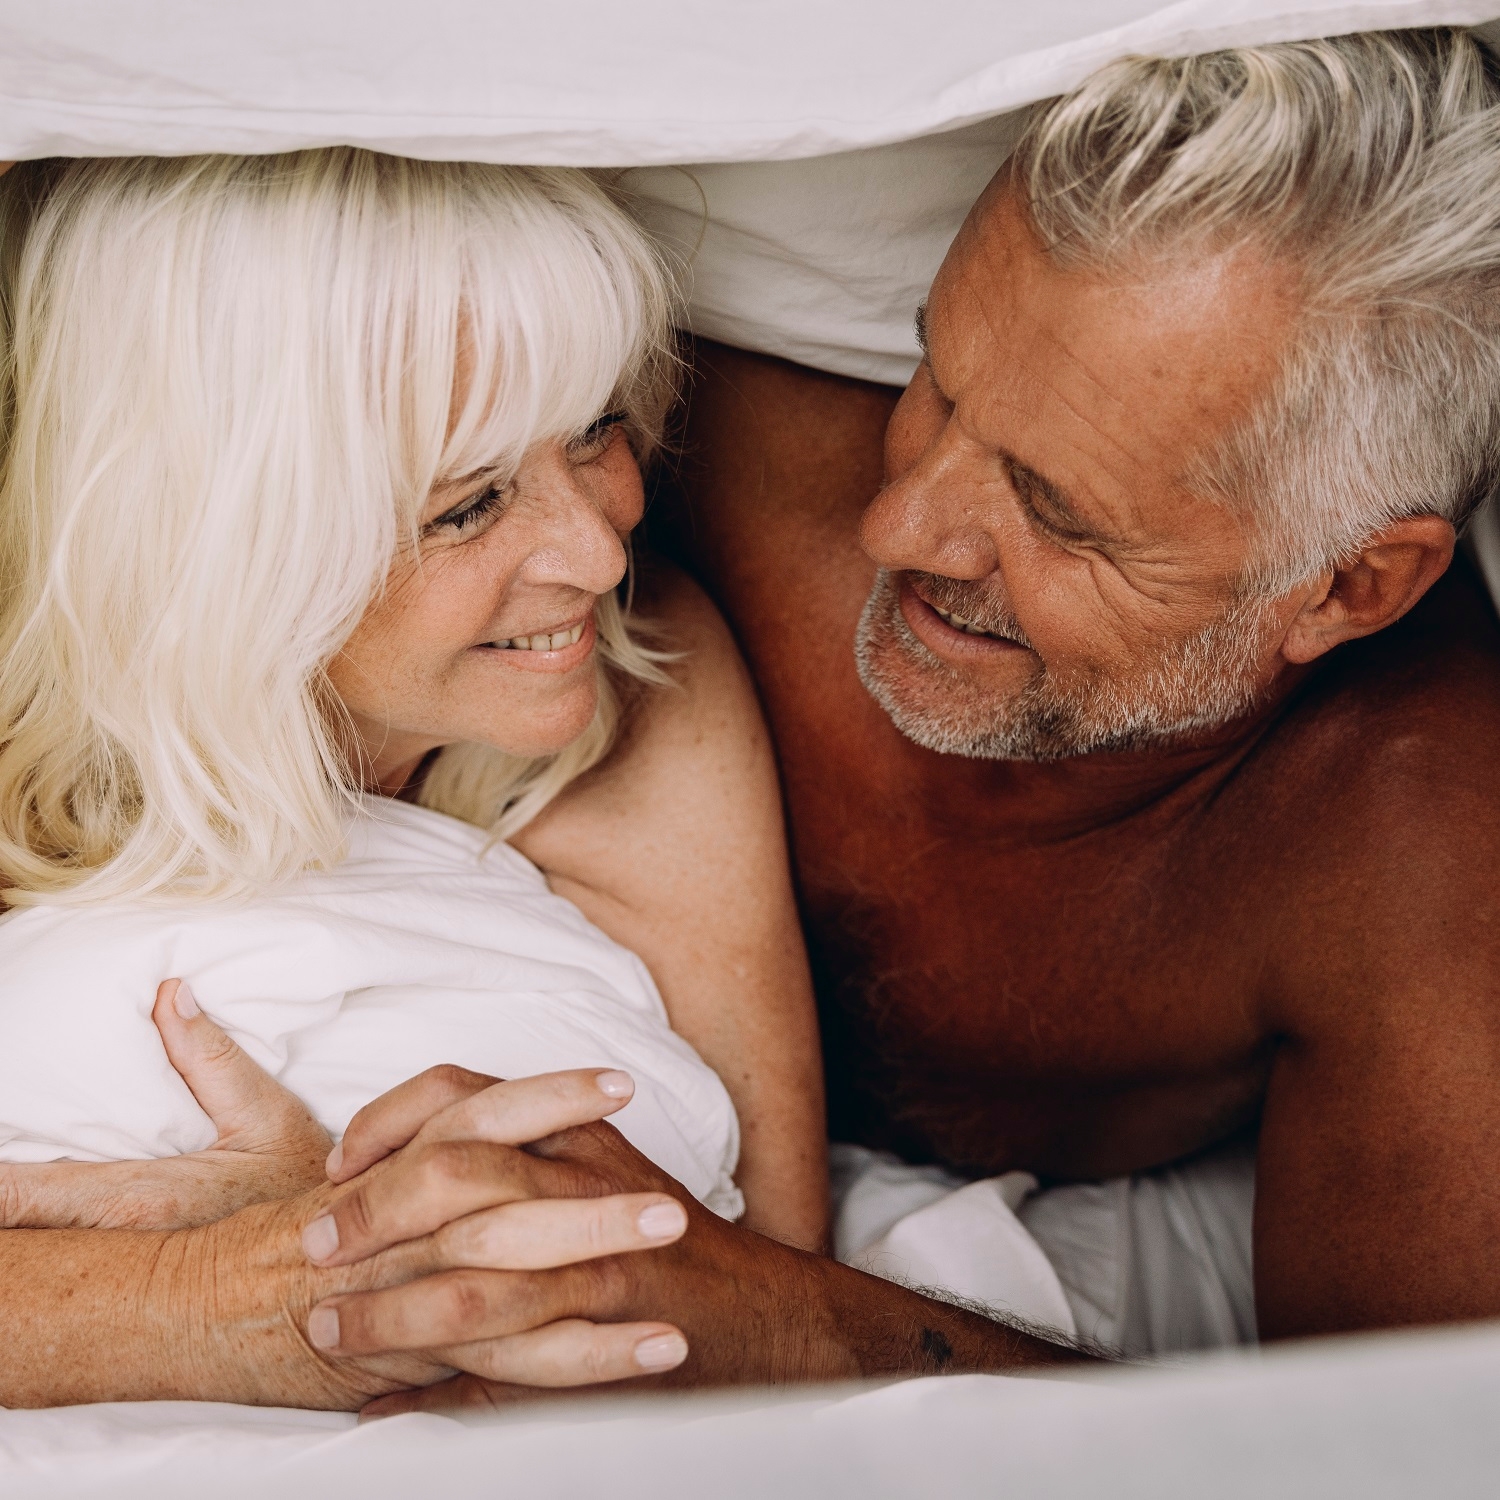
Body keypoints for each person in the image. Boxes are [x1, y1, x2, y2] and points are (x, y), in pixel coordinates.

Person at [276, 27, 1500, 1413]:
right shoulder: (687, 440)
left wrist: (779, 1320)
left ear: (1348, 585)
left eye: (1053, 511)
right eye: (932, 381)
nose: (894, 520)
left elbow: (1390, 1455)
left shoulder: (1423, 877)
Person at [0, 149, 840, 1407]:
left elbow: (778, 1294)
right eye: (466, 507)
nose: (601, 553)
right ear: (229, 549)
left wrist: (358, 1207)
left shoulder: (648, 687)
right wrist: (262, 1269)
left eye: (597, 429)